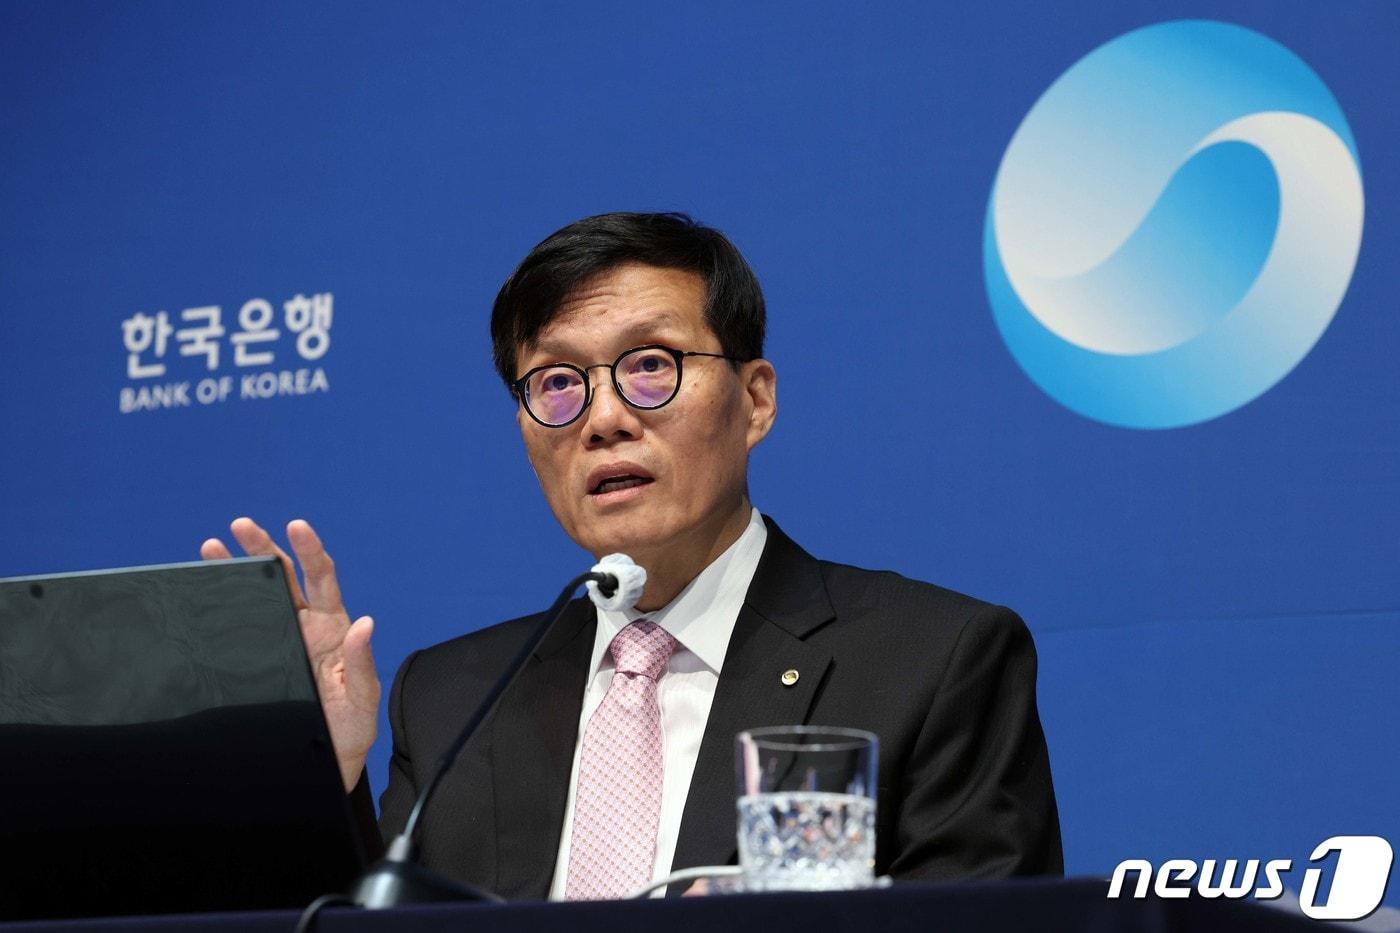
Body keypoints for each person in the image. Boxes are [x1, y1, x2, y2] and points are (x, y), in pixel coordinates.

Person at [202, 211, 1062, 900]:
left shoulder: (931, 661)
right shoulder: (451, 700)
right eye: (557, 382)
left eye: (651, 365)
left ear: (755, 399)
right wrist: (319, 775)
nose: (604, 417)